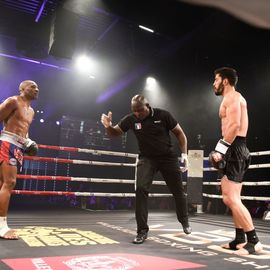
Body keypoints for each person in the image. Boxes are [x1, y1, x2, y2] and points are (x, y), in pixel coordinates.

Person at [101, 94, 191, 244]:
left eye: (140, 110)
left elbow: (180, 133)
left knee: (178, 190)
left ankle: (184, 221)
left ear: (147, 106)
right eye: (134, 111)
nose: (137, 114)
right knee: (141, 189)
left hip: (167, 157)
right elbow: (115, 133)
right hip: (147, 158)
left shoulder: (163, 115)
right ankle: (142, 231)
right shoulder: (131, 119)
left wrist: (185, 154)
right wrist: (108, 126)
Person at [210, 67, 262, 255]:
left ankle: (254, 240)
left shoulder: (232, 97)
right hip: (235, 146)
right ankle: (240, 238)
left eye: (216, 80)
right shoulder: (234, 97)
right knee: (231, 197)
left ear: (225, 81)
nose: (214, 83)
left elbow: (234, 125)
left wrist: (220, 150)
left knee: (230, 198)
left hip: (234, 147)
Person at [0, 80, 39, 239]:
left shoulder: (31, 111)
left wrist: (28, 141)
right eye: (32, 87)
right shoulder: (13, 101)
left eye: (37, 88)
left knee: (3, 183)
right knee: (9, 183)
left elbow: (24, 130)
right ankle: (2, 227)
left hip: (18, 147)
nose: (36, 90)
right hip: (7, 143)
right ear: (22, 88)